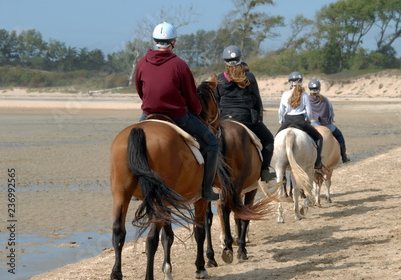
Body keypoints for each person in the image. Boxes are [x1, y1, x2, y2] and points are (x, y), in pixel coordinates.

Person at [134, 22, 219, 201]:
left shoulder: (142, 62)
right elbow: (190, 95)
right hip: (177, 115)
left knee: (132, 143)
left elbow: (139, 89)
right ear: (174, 42)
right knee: (212, 143)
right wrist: (196, 110)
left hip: (148, 112)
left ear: (155, 41)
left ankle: (135, 186)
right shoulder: (179, 65)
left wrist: (150, 103)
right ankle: (206, 190)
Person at [214, 45, 275, 182]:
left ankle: (208, 176)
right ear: (240, 59)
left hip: (225, 120)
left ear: (225, 62)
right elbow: (257, 101)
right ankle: (264, 171)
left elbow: (216, 103)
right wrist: (259, 120)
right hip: (245, 119)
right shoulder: (249, 77)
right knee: (268, 140)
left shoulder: (219, 79)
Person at [277, 71, 323, 169]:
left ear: (290, 83)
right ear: (301, 82)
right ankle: (317, 162)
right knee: (319, 138)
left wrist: (281, 122)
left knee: (275, 140)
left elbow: (281, 111)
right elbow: (309, 111)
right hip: (301, 121)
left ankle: (273, 162)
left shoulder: (285, 94)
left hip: (288, 121)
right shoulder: (305, 95)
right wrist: (308, 120)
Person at [307, 79, 351, 163]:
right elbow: (331, 112)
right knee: (339, 136)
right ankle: (344, 157)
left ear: (309, 89)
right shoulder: (325, 100)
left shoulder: (306, 100)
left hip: (313, 124)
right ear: (319, 88)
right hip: (326, 124)